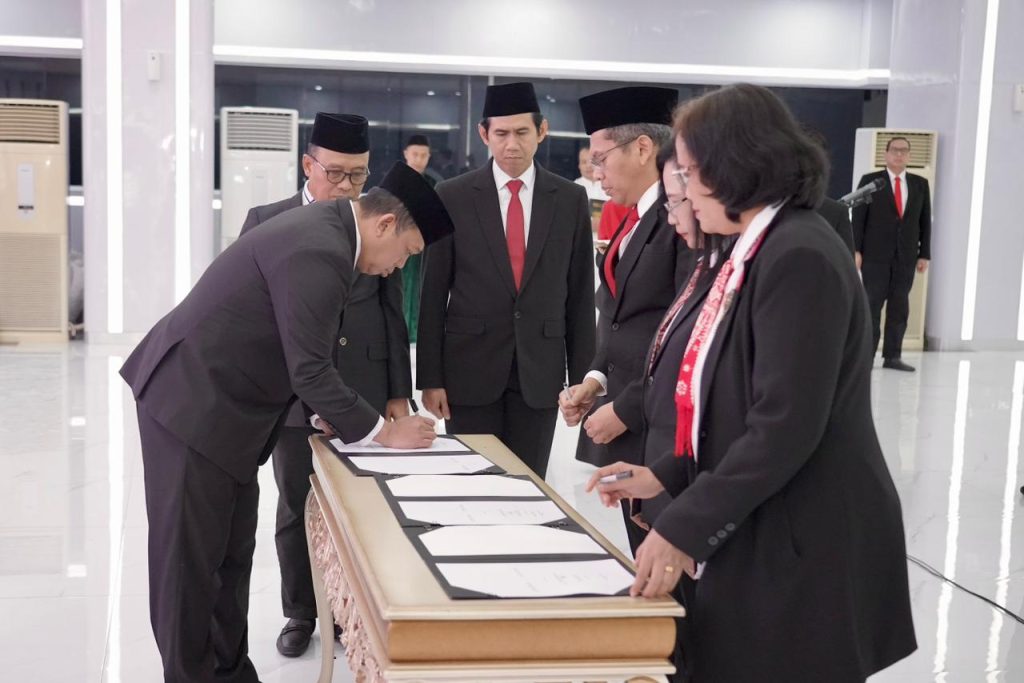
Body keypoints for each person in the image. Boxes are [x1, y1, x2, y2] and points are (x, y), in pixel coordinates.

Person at [587, 84, 916, 682]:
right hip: (765, 518)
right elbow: (727, 402)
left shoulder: (799, 254)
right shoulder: (753, 249)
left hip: (807, 534)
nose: (683, 192)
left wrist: (682, 526)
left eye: (688, 174)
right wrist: (668, 473)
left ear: (732, 166)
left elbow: (783, 426)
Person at [121, 162, 453, 683]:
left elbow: (295, 342)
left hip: (230, 411)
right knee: (189, 567)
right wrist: (385, 433)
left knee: (231, 556)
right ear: (385, 224)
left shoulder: (332, 235)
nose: (397, 269)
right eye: (406, 254)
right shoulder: (321, 248)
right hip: (192, 406)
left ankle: (230, 672)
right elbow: (311, 368)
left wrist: (327, 412)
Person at [239, 112, 413, 657]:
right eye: (335, 173)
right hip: (295, 394)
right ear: (307, 165)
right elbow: (256, 317)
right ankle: (300, 610)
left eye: (358, 175)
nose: (346, 186)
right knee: (296, 504)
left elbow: (393, 310)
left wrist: (398, 392)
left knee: (361, 503)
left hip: (363, 381)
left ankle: (349, 608)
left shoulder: (374, 220)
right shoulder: (268, 219)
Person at [417, 82, 596, 477]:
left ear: (542, 131)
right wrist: (430, 378)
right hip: (468, 371)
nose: (511, 144)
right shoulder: (452, 195)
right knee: (472, 485)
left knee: (529, 485)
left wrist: (583, 379)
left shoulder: (569, 199)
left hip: (541, 372)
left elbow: (581, 295)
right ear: (484, 134)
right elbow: (432, 292)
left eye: (521, 132)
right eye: (501, 133)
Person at [559, 86, 689, 554]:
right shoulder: (633, 218)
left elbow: (681, 334)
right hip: (628, 413)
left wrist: (626, 408)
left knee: (666, 558)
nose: (596, 173)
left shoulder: (681, 221)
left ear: (642, 148)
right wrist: (595, 380)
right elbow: (618, 316)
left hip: (659, 422)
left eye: (601, 159)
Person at [852, 136, 932, 371]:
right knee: (871, 307)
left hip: (905, 257)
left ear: (909, 156)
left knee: (899, 307)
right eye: (895, 150)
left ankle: (893, 356)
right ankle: (865, 357)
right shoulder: (870, 181)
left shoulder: (920, 184)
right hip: (874, 257)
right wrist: (855, 249)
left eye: (904, 151)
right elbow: (858, 218)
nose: (899, 154)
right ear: (886, 154)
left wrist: (924, 254)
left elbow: (924, 221)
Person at [400, 134, 434, 344]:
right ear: (406, 154)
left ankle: (416, 332)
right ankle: (400, 331)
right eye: (415, 154)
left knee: (421, 287)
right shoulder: (395, 181)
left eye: (423, 155)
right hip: (397, 244)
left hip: (424, 244)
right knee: (399, 287)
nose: (419, 159)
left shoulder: (435, 184)